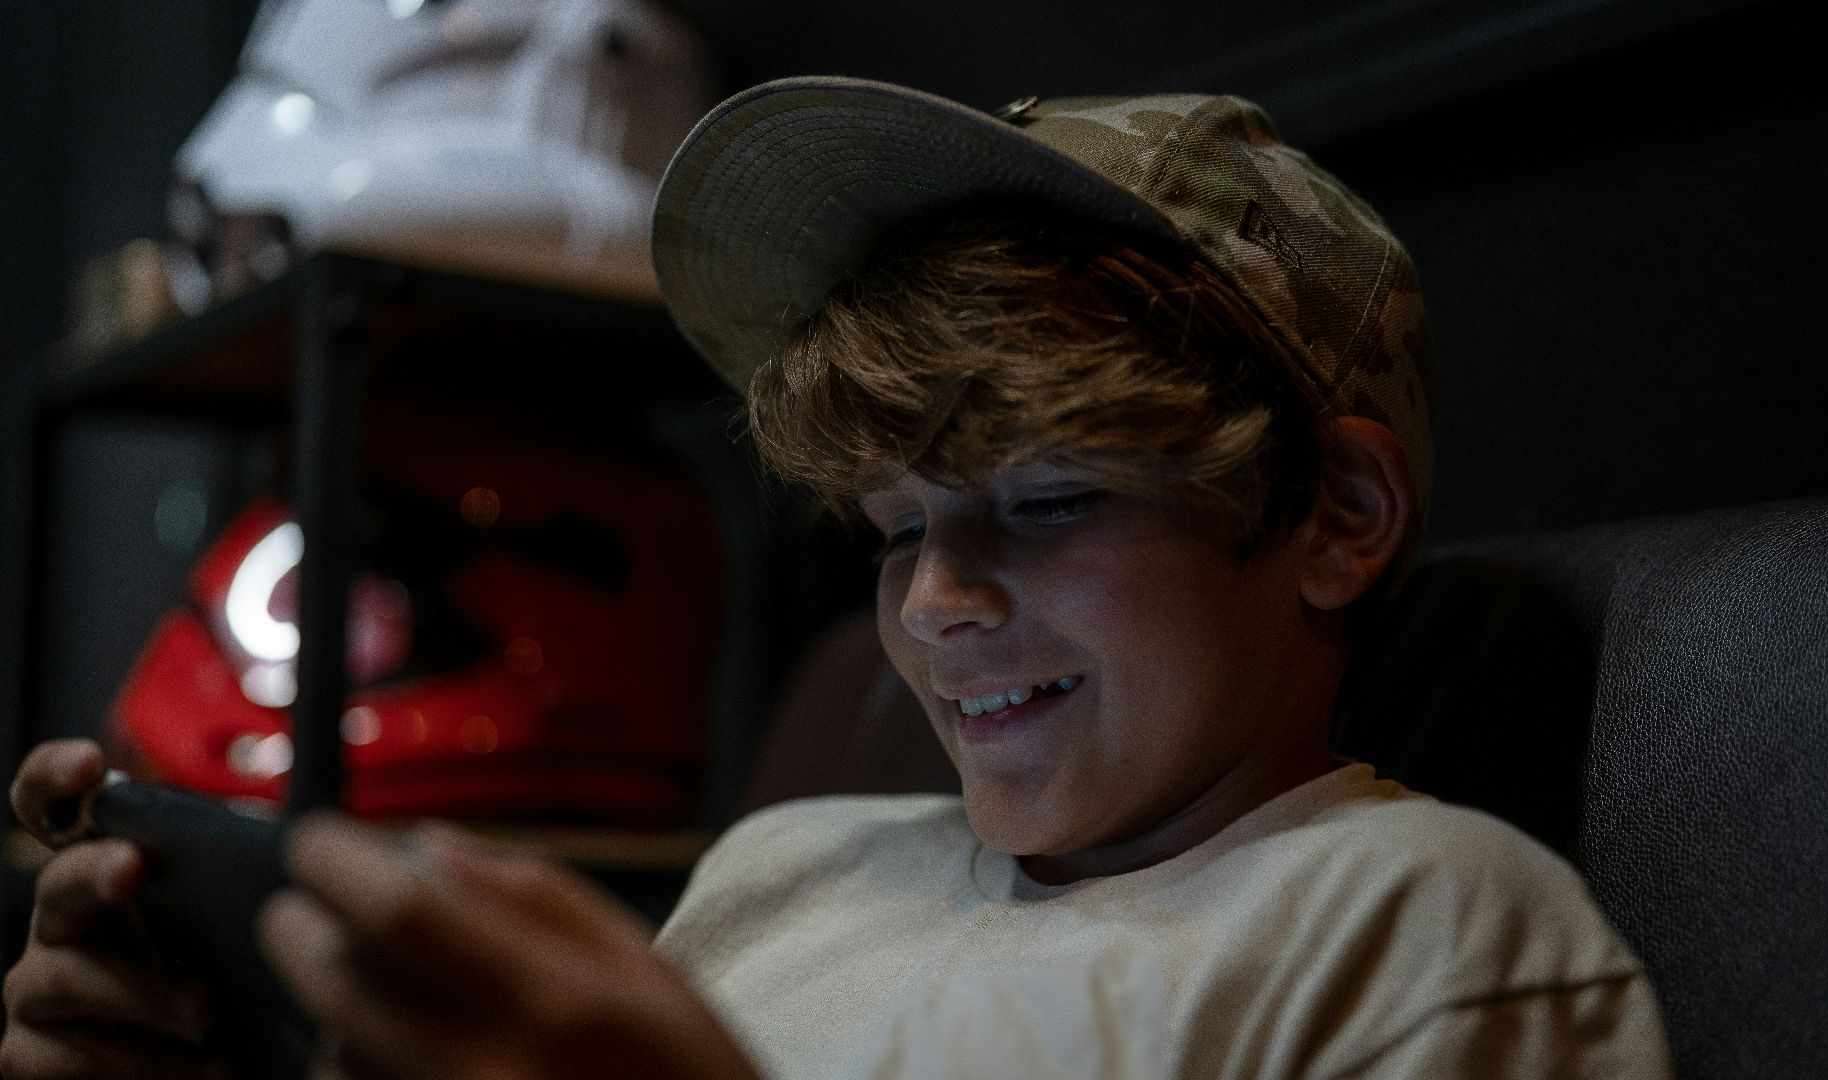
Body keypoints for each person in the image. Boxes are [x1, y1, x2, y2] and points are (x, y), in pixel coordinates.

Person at [2, 76, 1673, 1079]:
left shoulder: (1420, 932)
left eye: (1047, 497)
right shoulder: (788, 870)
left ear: (1336, 515)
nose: (934, 605)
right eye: (892, 530)